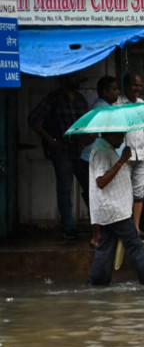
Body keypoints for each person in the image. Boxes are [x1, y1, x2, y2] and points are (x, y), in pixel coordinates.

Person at [87, 132, 144, 288]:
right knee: (135, 245)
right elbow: (101, 181)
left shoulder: (107, 148)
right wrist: (121, 161)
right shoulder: (101, 151)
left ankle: (96, 283)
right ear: (110, 134)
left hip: (114, 208)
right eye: (120, 136)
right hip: (114, 210)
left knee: (105, 247)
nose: (122, 139)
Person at [28, 75, 90, 240]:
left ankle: (97, 223)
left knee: (90, 186)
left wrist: (84, 140)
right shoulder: (53, 99)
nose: (77, 81)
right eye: (74, 78)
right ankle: (68, 227)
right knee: (65, 189)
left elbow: (86, 123)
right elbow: (34, 120)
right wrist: (51, 140)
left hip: (78, 150)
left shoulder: (80, 99)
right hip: (61, 150)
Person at [83, 76, 121, 248]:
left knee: (99, 198)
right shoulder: (101, 109)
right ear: (105, 91)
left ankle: (99, 235)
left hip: (95, 160)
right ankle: (96, 236)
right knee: (98, 199)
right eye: (114, 89)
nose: (118, 92)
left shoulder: (104, 108)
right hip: (93, 160)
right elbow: (90, 134)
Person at [116, 72, 144, 241]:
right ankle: (125, 230)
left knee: (139, 192)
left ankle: (136, 229)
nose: (137, 88)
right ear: (126, 86)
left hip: (141, 153)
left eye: (139, 85)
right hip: (125, 155)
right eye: (134, 85)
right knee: (124, 193)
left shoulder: (142, 104)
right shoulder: (118, 104)